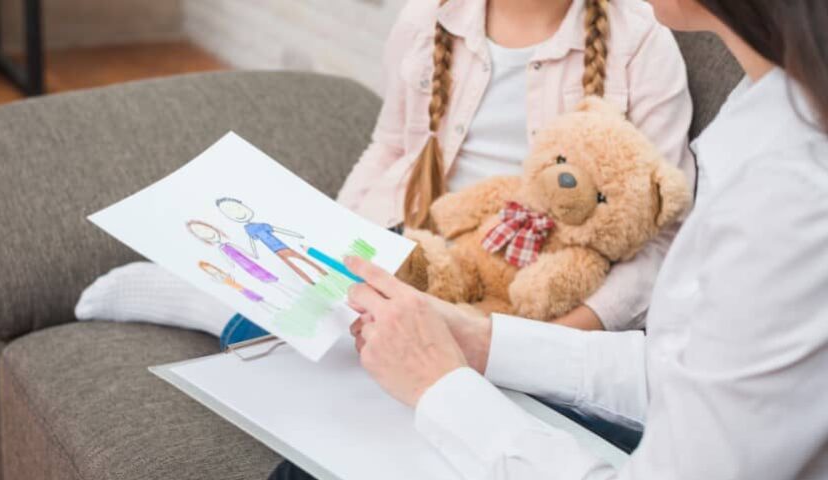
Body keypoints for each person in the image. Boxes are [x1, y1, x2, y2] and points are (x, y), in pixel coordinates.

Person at [337, 0, 828, 477]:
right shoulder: (764, 112)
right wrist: (483, 342)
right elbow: (682, 363)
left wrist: (439, 385)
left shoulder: (789, 199)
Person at [76, 0, 695, 353]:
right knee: (349, 309)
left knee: (384, 346)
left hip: (538, 292)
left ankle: (233, 318)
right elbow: (389, 146)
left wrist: (563, 338)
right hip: (424, 246)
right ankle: (231, 299)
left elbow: (665, 234)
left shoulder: (642, 43)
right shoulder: (429, 17)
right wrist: (335, 244)